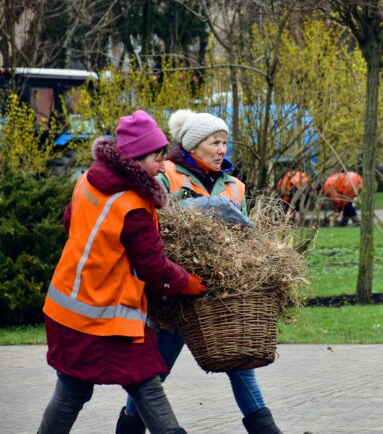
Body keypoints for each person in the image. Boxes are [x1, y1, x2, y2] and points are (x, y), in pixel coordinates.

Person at [38, 111, 206, 434]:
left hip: (65, 310)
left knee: (72, 390)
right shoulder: (133, 206)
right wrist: (189, 283)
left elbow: (70, 222)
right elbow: (156, 270)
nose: (162, 166)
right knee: (144, 383)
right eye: (157, 158)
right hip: (101, 319)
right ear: (136, 158)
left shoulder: (87, 180)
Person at [117, 109, 282, 434]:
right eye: (214, 142)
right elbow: (153, 223)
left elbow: (246, 238)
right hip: (174, 292)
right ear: (193, 145)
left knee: (239, 364)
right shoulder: (166, 174)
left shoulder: (235, 186)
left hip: (217, 295)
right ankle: (128, 429)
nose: (222, 150)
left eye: (224, 143)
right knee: (156, 371)